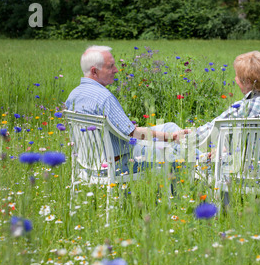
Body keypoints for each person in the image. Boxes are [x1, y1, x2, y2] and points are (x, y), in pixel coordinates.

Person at [65, 45, 188, 174]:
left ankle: (202, 156)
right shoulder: (104, 97)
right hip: (118, 163)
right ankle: (203, 163)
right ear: (94, 71)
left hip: (89, 163)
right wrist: (171, 137)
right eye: (110, 66)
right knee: (176, 154)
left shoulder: (73, 95)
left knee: (170, 126)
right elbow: (133, 133)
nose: (116, 70)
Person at [192, 50, 260, 151]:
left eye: (237, 76)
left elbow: (209, 132)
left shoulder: (242, 108)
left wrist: (182, 135)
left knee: (172, 130)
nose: (235, 79)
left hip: (237, 164)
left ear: (248, 82)